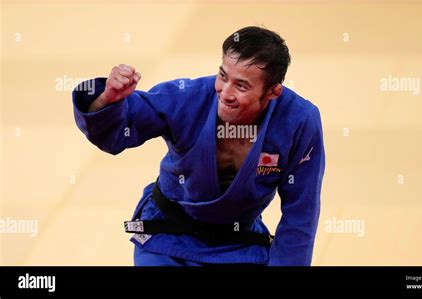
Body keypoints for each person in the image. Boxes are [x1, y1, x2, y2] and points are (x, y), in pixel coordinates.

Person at [72, 26, 326, 266]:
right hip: (166, 237)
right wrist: (108, 99)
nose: (225, 92)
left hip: (238, 244)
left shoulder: (299, 122)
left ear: (273, 92)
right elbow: (118, 133)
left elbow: (301, 212)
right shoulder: (187, 97)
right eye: (223, 76)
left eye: (241, 85)